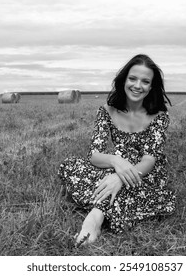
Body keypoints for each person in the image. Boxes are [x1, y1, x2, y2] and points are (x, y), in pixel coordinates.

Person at [58, 54, 176, 246]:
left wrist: (120, 177)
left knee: (122, 173)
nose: (138, 85)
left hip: (145, 174)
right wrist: (115, 162)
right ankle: (122, 201)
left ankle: (94, 219)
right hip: (116, 166)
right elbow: (94, 155)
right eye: (133, 78)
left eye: (145, 81)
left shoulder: (159, 116)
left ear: (151, 87)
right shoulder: (106, 111)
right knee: (70, 166)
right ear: (124, 80)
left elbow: (149, 160)